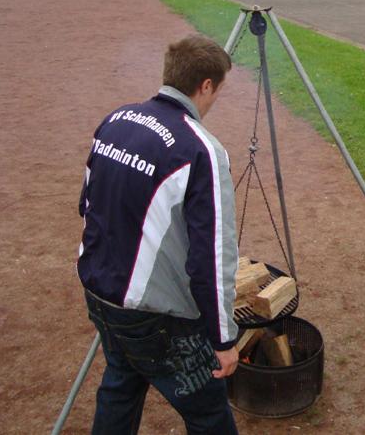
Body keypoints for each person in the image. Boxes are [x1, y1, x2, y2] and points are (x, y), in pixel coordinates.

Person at [77, 34, 240, 434]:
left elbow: (88, 204)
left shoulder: (116, 120)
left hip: (99, 294)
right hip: (155, 318)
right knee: (208, 412)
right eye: (219, 90)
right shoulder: (201, 149)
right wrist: (224, 341)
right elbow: (212, 256)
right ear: (206, 85)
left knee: (121, 386)